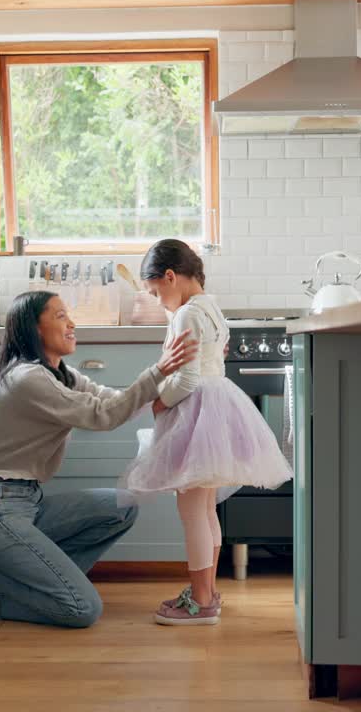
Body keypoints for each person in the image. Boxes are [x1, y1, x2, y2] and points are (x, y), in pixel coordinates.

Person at [0, 290, 199, 628]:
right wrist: (157, 372)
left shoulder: (61, 374)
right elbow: (103, 415)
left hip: (29, 503)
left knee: (123, 506)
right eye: (60, 316)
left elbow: (115, 400)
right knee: (82, 609)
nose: (72, 324)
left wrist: (173, 383)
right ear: (34, 328)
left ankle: (3, 574)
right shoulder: (27, 379)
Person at [120, 239, 293, 626]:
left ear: (170, 276)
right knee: (206, 508)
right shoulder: (210, 307)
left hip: (195, 410)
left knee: (192, 510)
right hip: (218, 405)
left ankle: (200, 601)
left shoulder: (184, 315)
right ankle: (209, 592)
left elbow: (186, 379)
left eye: (156, 291)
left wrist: (160, 402)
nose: (158, 300)